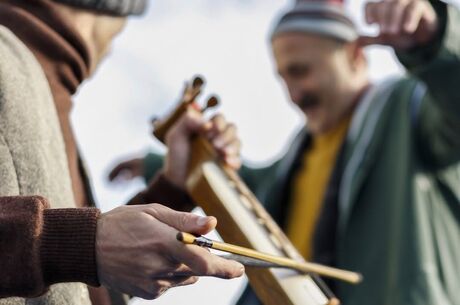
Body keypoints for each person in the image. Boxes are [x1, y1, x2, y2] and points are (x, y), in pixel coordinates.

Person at [110, 0, 460, 304]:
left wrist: (437, 40)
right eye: (283, 78)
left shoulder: (408, 111)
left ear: (355, 56)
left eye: (301, 71)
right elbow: (249, 188)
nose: (294, 93)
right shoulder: (298, 154)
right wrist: (161, 163)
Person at [0, 0, 245, 304]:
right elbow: (74, 250)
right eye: (118, 35)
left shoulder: (47, 95)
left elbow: (84, 288)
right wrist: (80, 244)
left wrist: (174, 187)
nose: (111, 51)